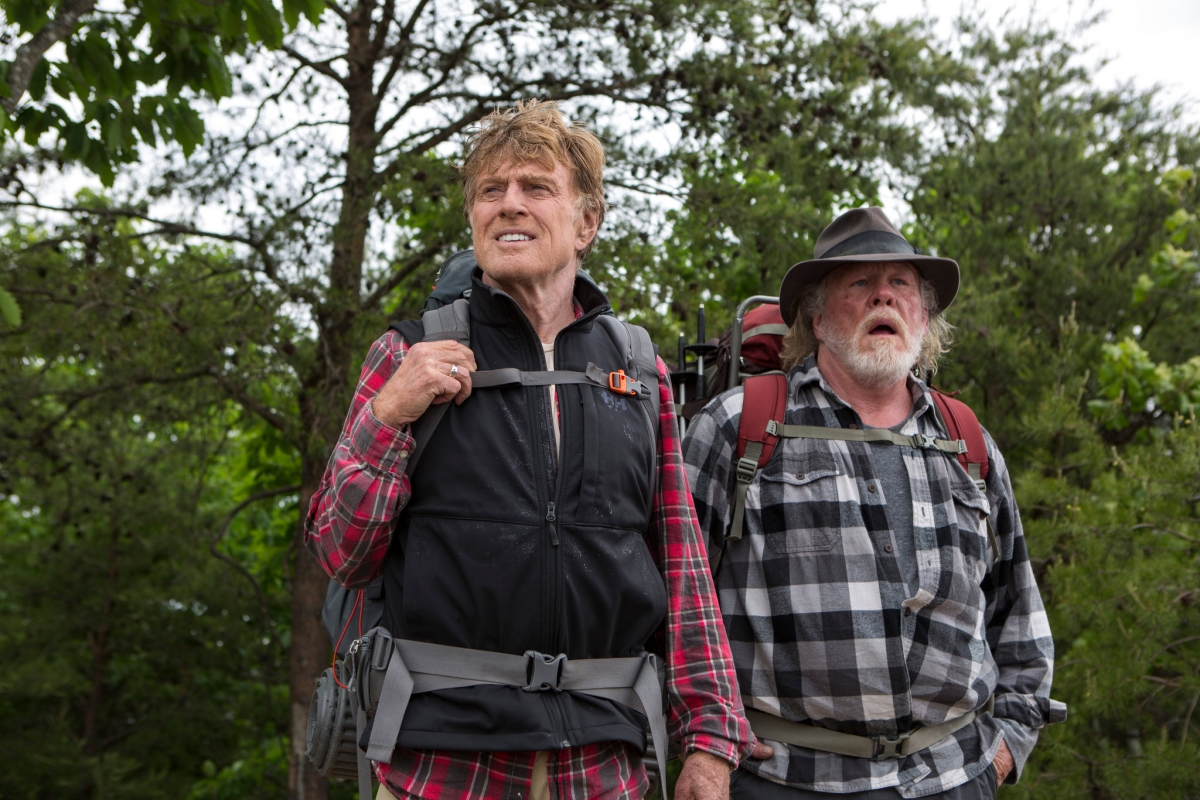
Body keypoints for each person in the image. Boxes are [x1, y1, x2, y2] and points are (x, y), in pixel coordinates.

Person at [305, 100, 753, 800]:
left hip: (601, 762)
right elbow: (341, 551)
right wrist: (389, 414)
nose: (508, 205)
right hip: (439, 758)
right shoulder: (406, 354)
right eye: (491, 191)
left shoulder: (639, 372)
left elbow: (683, 567)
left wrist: (710, 737)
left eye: (535, 187)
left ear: (587, 223)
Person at [683, 207, 1065, 799]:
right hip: (785, 779)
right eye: (859, 282)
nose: (883, 296)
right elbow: (677, 600)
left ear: (923, 313)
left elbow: (1018, 610)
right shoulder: (740, 425)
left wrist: (1006, 747)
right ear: (815, 313)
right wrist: (702, 741)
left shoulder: (966, 439)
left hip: (953, 777)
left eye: (901, 284)